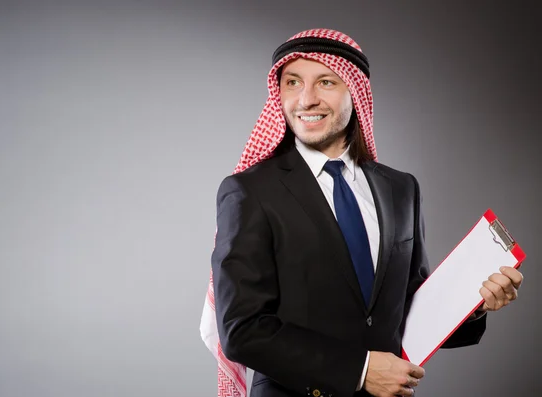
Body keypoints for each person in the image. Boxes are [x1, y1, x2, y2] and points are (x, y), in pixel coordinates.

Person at [200, 29, 523, 397]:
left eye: (325, 81)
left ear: (356, 90)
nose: (306, 99)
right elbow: (242, 331)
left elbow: (408, 306)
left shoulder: (400, 189)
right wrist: (361, 370)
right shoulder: (250, 191)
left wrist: (475, 304)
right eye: (293, 82)